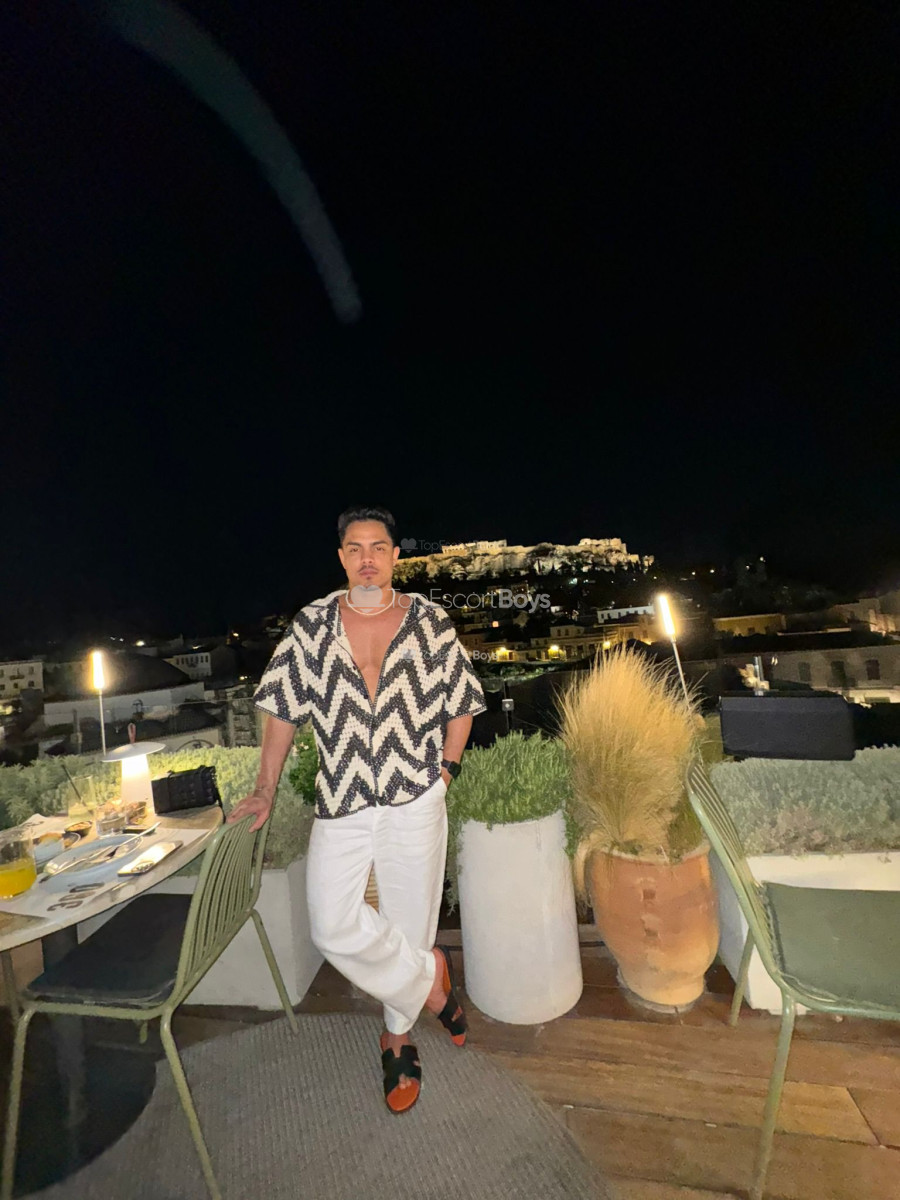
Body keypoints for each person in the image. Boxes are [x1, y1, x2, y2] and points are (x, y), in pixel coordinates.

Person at [227, 505, 486, 1113]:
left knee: (409, 920)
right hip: (342, 797)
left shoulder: (429, 621)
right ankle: (431, 984)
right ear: (341, 558)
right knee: (331, 923)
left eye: (378, 547)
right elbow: (282, 708)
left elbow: (462, 700)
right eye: (354, 548)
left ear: (395, 555)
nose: (367, 558)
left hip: (415, 796)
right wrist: (264, 788)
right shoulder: (312, 625)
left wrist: (446, 772)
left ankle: (397, 1038)